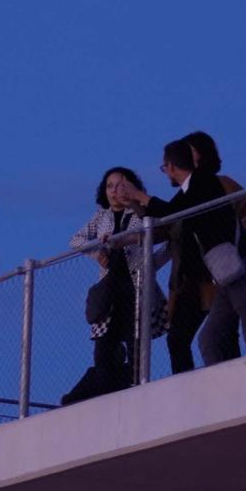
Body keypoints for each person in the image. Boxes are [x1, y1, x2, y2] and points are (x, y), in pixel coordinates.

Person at [64, 166, 167, 404]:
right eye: (110, 186)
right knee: (103, 349)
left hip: (137, 288)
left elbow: (163, 234)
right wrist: (97, 253)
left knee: (136, 347)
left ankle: (136, 395)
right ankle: (103, 397)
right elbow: (76, 240)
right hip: (110, 290)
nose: (114, 191)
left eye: (120, 185)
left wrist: (153, 263)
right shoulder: (102, 216)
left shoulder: (140, 214)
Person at [136, 138, 239, 373]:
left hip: (214, 273)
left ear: (171, 166)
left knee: (221, 337)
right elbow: (168, 219)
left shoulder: (207, 183)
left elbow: (175, 214)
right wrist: (137, 201)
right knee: (178, 339)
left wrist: (141, 197)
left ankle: (235, 379)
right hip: (190, 279)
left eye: (164, 168)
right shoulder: (188, 190)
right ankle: (185, 388)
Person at [183, 130, 246, 363]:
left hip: (242, 265)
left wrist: (241, 226)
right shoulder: (188, 195)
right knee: (209, 339)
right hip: (222, 276)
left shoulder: (222, 184)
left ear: (201, 155)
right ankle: (224, 392)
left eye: (188, 152)